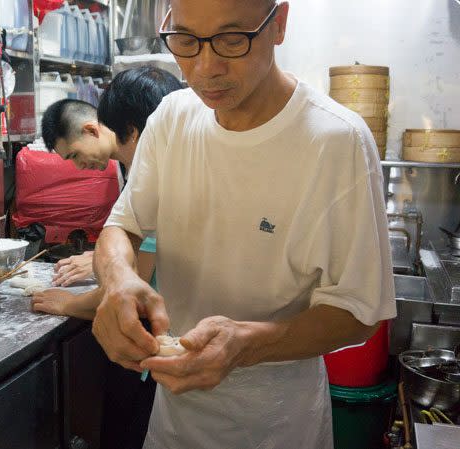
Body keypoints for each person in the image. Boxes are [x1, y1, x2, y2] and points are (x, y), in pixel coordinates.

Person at [92, 1, 396, 448]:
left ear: (279, 25)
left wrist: (246, 343)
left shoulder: (336, 142)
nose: (205, 68)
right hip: (174, 427)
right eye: (186, 40)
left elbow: (359, 314)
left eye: (232, 40)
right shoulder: (172, 119)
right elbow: (122, 227)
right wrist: (117, 278)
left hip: (279, 427)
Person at [38, 67, 184, 289]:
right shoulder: (127, 166)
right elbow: (135, 233)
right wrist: (103, 258)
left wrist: (101, 270)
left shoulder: (164, 168)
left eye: (75, 155)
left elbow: (150, 255)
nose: (79, 167)